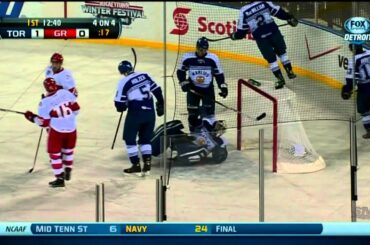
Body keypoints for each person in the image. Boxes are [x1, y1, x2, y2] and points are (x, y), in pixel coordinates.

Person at [24, 78, 80, 188]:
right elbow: (76, 110)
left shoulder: (44, 103)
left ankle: (59, 178)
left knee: (54, 154)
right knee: (68, 150)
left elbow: (43, 123)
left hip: (57, 131)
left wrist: (31, 117)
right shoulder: (65, 93)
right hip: (72, 129)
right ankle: (68, 168)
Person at [230, 1, 298, 89]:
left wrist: (234, 36)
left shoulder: (244, 11)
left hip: (261, 39)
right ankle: (290, 72)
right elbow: (278, 12)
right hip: (274, 33)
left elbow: (241, 32)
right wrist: (289, 17)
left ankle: (280, 79)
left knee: (272, 60)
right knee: (282, 53)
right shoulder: (264, 2)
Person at [114, 60, 164, 176]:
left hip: (136, 113)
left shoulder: (124, 82)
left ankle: (136, 165)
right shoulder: (144, 75)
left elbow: (119, 104)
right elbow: (157, 90)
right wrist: (161, 103)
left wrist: (121, 107)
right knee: (145, 139)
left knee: (129, 139)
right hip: (150, 113)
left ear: (121, 72)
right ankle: (147, 164)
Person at [176, 36, 228, 133]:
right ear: (196, 47)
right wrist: (183, 82)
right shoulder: (188, 57)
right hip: (193, 90)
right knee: (192, 115)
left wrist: (223, 87)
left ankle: (211, 135)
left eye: (204, 49)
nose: (202, 51)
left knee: (209, 114)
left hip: (208, 90)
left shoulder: (212, 58)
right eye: (200, 49)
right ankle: (193, 134)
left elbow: (219, 74)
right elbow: (180, 72)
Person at [341, 44, 370, 139]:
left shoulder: (354, 60)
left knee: (363, 110)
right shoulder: (369, 52)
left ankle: (369, 130)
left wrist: (347, 90)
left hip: (365, 89)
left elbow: (351, 80)